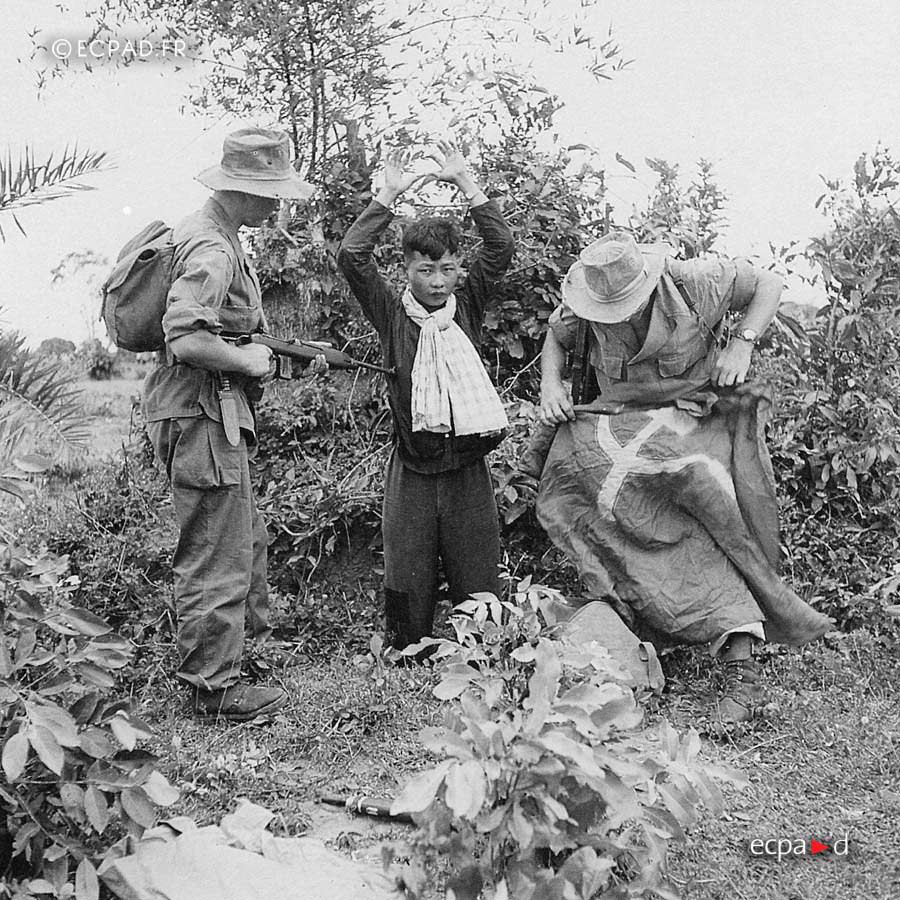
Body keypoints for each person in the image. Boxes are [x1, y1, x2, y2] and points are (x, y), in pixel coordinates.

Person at [535, 232, 832, 723]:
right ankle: (634, 619)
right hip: (621, 420)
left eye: (627, 305)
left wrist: (742, 343)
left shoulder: (696, 282)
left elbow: (769, 283)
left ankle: (742, 663)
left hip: (692, 416)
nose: (618, 317)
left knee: (707, 507)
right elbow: (555, 338)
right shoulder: (583, 305)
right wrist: (550, 383)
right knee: (583, 487)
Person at [142, 127, 323, 722]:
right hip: (199, 414)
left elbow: (227, 331)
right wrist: (248, 360)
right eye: (271, 192)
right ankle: (214, 688)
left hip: (210, 411)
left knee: (242, 538)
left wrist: (275, 353)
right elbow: (187, 335)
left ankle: (244, 658)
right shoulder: (213, 249)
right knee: (216, 549)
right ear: (245, 189)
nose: (277, 205)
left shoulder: (214, 235)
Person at [337, 141, 514, 650]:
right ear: (406, 270)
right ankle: (407, 653)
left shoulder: (468, 304)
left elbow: (501, 247)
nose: (437, 282)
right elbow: (352, 256)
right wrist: (386, 197)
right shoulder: (393, 315)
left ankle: (478, 659)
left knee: (478, 585)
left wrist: (466, 183)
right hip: (412, 469)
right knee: (406, 585)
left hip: (467, 470)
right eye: (424, 270)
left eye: (447, 270)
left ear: (459, 269)